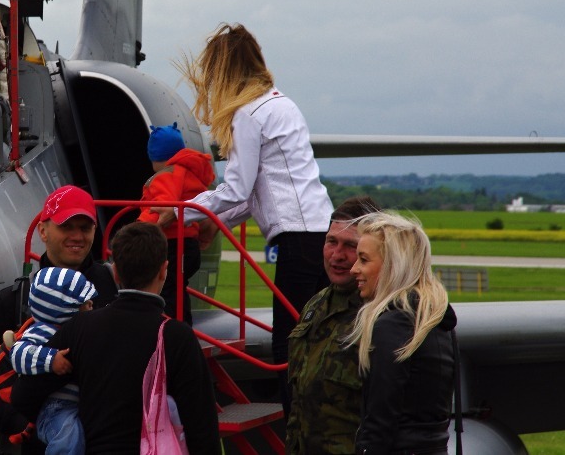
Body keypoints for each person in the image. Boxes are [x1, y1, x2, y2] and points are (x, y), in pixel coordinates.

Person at [156, 23, 333, 412]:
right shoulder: (282, 103)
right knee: (320, 338)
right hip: (323, 232)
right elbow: (256, 196)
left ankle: (297, 428)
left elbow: (236, 190)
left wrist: (182, 212)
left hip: (297, 239)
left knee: (288, 343)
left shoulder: (247, 115)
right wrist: (209, 221)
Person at [12, 222, 221, 454]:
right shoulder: (177, 336)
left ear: (116, 272)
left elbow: (23, 396)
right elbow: (202, 429)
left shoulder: (81, 326)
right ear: (164, 270)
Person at [0, 185, 118, 454]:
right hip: (41, 441)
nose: (77, 236)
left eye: (85, 228)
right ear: (43, 231)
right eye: (67, 227)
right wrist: (14, 421)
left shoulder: (114, 289)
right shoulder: (15, 299)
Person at [345, 211, 457, 455]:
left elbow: (381, 416)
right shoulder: (434, 319)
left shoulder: (391, 325)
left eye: (364, 260)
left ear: (392, 267)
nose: (354, 269)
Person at [285, 195, 381, 455]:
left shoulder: (380, 315)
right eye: (331, 242)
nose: (337, 255)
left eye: (350, 246)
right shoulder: (315, 306)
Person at [9, 267, 98, 455]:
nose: (91, 304)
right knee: (68, 437)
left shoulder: (81, 331)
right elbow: (18, 353)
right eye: (84, 302)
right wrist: (50, 359)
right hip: (55, 409)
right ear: (63, 308)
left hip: (79, 406)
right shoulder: (42, 331)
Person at [137, 122, 217, 323]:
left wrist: (138, 229)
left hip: (173, 244)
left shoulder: (167, 175)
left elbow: (163, 206)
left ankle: (172, 329)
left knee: (167, 291)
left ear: (156, 157)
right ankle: (182, 328)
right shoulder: (190, 173)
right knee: (178, 289)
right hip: (188, 244)